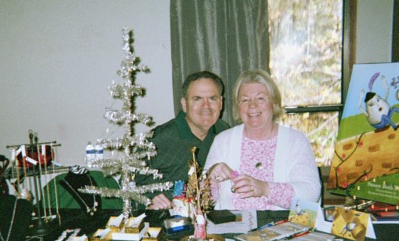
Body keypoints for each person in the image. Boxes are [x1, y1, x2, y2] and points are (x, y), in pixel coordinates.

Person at [205, 69, 321, 210]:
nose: (252, 106)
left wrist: (265, 188)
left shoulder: (296, 141)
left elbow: (311, 194)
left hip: (283, 228)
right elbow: (205, 202)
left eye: (260, 98)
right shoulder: (222, 141)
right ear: (238, 106)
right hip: (231, 228)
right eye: (245, 100)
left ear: (273, 103)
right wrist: (211, 180)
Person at [135, 71, 229, 210]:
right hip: (171, 222)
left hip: (217, 218)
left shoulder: (225, 132)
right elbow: (128, 186)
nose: (206, 106)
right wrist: (149, 200)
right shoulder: (156, 140)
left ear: (221, 103)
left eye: (212, 98)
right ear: (184, 104)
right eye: (197, 99)